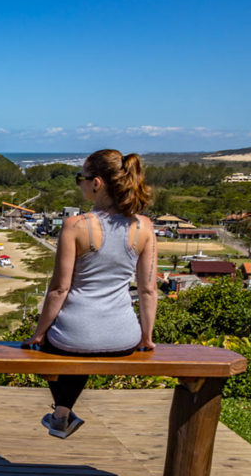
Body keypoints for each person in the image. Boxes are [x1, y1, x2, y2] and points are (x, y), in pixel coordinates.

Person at [24, 149, 158, 438]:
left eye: (80, 178)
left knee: (60, 341)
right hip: (124, 338)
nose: (79, 184)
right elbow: (147, 290)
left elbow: (60, 289)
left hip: (74, 337)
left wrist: (38, 333)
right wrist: (146, 337)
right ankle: (61, 417)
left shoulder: (76, 225)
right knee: (81, 340)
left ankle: (62, 413)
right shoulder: (144, 227)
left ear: (96, 183)